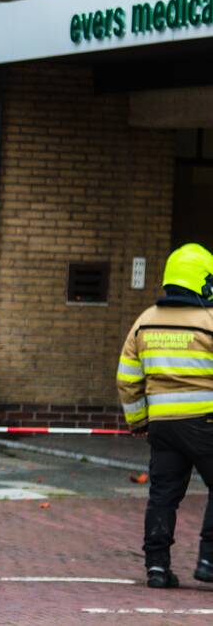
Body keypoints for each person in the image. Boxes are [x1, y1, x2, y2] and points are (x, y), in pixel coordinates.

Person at [117, 243, 213, 589]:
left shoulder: (144, 323)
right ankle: (208, 561)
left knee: (163, 495)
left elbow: (127, 378)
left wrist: (139, 421)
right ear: (203, 281)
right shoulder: (210, 321)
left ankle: (157, 568)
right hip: (205, 425)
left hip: (163, 428)